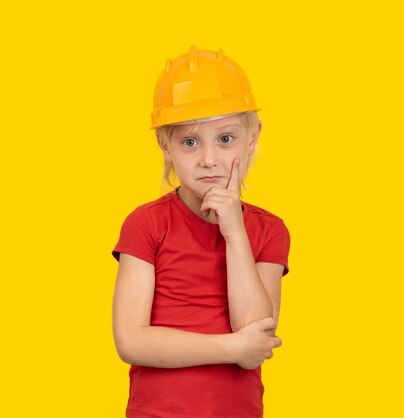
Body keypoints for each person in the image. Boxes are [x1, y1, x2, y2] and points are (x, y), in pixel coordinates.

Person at [111, 46, 290, 418]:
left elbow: (255, 334)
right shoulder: (146, 224)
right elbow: (131, 340)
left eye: (225, 139)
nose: (208, 159)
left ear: (252, 136)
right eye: (190, 142)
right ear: (165, 144)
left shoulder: (269, 231)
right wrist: (230, 348)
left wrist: (235, 233)